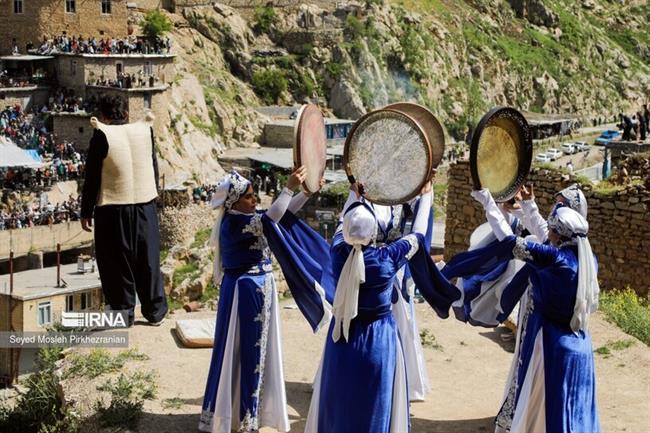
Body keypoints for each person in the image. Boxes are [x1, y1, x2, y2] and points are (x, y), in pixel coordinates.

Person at [305, 180, 460, 433]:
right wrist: (427, 197)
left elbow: (341, 226)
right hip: (378, 340)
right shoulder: (387, 259)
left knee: (340, 403)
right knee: (374, 406)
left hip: (341, 339)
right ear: (373, 233)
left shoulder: (337, 251)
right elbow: (418, 236)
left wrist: (353, 195)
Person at [200, 168, 332, 433]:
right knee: (247, 352)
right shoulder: (235, 223)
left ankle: (245, 414)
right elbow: (273, 216)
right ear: (233, 202)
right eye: (249, 197)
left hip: (256, 291)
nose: (254, 200)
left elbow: (283, 214)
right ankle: (243, 418)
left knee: (256, 351)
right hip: (246, 292)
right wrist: (288, 188)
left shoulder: (248, 215)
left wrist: (304, 192)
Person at [464, 189, 601, 433]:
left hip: (549, 342)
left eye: (553, 229)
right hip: (579, 344)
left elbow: (508, 242)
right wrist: (528, 206)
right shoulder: (588, 259)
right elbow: (539, 233)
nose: (550, 233)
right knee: (572, 408)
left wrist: (488, 204)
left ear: (561, 233)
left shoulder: (555, 259)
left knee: (542, 404)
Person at [80, 100, 167, 327]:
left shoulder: (102, 134)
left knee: (117, 264)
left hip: (113, 207)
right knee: (148, 260)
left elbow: (92, 177)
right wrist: (153, 195)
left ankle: (124, 315)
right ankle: (155, 312)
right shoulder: (144, 131)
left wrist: (85, 211)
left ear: (103, 115)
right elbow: (153, 167)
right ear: (126, 113)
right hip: (145, 205)